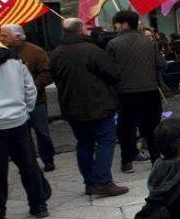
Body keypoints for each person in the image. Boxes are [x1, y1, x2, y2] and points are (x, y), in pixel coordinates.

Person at [50, 18, 128, 197]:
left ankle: (90, 182)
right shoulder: (91, 50)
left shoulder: (56, 53)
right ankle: (103, 182)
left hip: (72, 106)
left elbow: (54, 76)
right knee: (105, 141)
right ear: (81, 31)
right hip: (97, 104)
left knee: (84, 143)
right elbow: (113, 74)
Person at [0, 38, 50, 219]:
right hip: (17, 120)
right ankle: (39, 205)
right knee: (28, 164)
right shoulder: (16, 61)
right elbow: (30, 89)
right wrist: (25, 111)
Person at [106, 10, 167, 173]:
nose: (115, 27)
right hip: (150, 91)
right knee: (152, 127)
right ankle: (155, 159)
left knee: (126, 128)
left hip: (126, 92)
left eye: (116, 24)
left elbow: (108, 70)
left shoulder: (113, 44)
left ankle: (127, 162)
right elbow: (161, 64)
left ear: (124, 24)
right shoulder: (148, 42)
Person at [0, 24, 56, 172]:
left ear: (17, 36)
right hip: (14, 103)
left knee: (42, 132)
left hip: (37, 101)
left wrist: (32, 86)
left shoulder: (35, 52)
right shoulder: (1, 53)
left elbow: (48, 73)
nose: (2, 38)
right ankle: (28, 163)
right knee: (23, 136)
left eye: (5, 35)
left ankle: (48, 159)